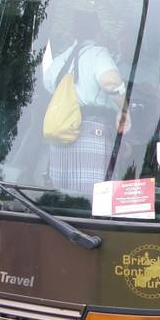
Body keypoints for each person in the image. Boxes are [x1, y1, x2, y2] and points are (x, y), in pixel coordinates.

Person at [43, 11, 129, 196]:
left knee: (63, 197)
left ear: (74, 33)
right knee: (92, 200)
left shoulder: (60, 60)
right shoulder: (97, 53)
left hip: (60, 133)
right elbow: (110, 82)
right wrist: (124, 110)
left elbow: (48, 86)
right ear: (97, 32)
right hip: (91, 132)